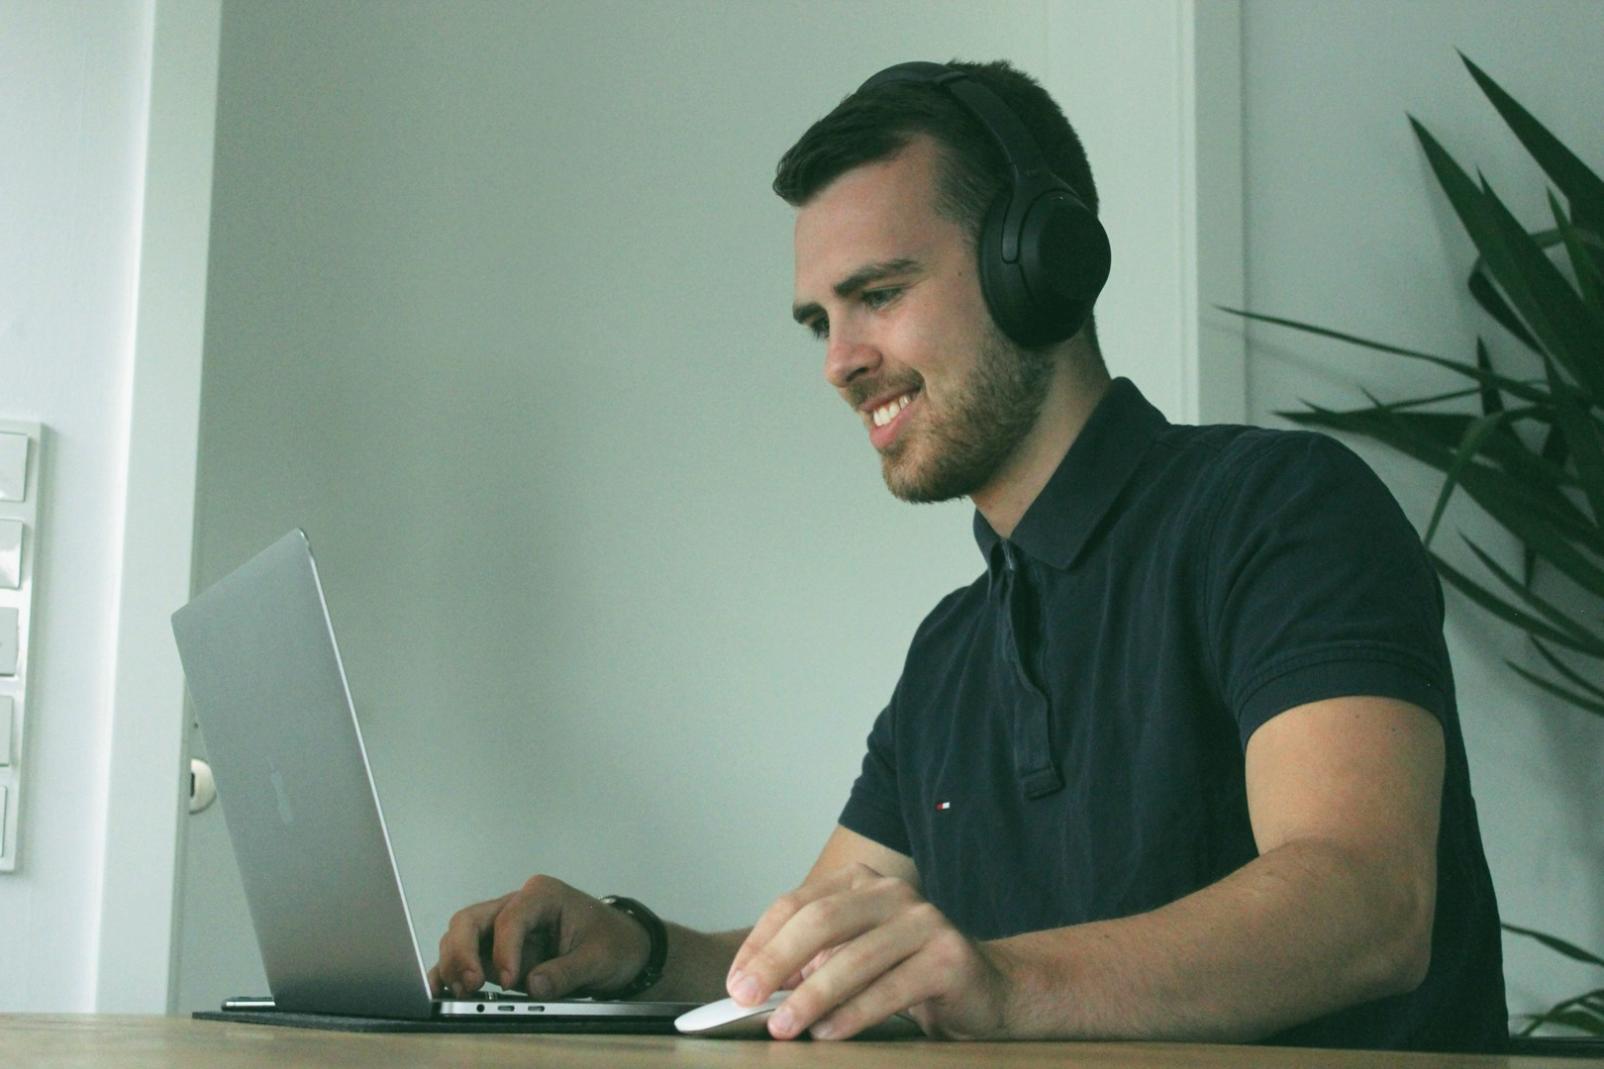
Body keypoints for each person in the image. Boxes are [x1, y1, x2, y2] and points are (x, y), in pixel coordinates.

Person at [430, 58, 1507, 1051]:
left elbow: (1366, 903)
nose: (841, 362)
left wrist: (1000, 982)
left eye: (879, 294)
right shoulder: (949, 654)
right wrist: (640, 948)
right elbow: (810, 965)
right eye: (820, 321)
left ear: (1039, 263)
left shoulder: (1279, 511)